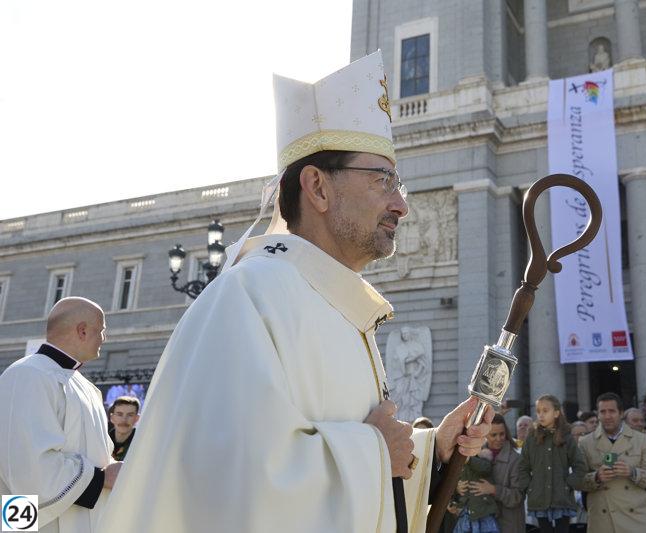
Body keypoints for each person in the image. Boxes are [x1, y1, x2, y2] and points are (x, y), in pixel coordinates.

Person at [97, 51, 492, 533]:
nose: (401, 204)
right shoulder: (248, 297)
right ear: (318, 188)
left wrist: (430, 451)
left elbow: (362, 461)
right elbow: (222, 484)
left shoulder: (337, 307)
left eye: (399, 183)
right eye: (383, 180)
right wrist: (372, 453)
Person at [0, 297, 120, 533]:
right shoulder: (26, 375)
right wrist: (102, 479)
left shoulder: (86, 387)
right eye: (101, 330)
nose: (103, 339)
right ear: (82, 331)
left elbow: (100, 456)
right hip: (36, 523)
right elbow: (26, 467)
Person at [578, 392, 646, 532]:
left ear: (621, 413)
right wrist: (596, 477)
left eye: (612, 411)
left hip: (636, 522)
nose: (607, 416)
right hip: (603, 523)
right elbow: (576, 480)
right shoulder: (585, 442)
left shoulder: (640, 440)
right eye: (603, 412)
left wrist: (633, 472)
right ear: (597, 414)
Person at [519, 395, 587, 533]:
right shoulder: (531, 438)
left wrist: (568, 484)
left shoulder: (567, 437)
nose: (541, 414)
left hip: (562, 498)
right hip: (539, 498)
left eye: (545, 410)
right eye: (538, 411)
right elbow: (523, 467)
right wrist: (529, 487)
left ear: (556, 413)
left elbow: (580, 465)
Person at [461, 414, 526, 533]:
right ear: (485, 435)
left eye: (502, 434)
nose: (499, 438)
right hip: (482, 524)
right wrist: (458, 487)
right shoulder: (476, 455)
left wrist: (493, 490)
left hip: (508, 524)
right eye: (494, 435)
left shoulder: (516, 460)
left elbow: (518, 497)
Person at [452, 449, 500, 533]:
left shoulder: (482, 458)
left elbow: (485, 467)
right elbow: (453, 483)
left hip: (483, 512)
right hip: (466, 512)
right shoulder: (459, 464)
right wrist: (456, 489)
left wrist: (469, 459)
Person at [108, 396, 141, 461]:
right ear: (112, 418)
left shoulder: (142, 444)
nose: (124, 420)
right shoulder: (103, 443)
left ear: (137, 418)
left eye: (130, 415)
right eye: (119, 414)